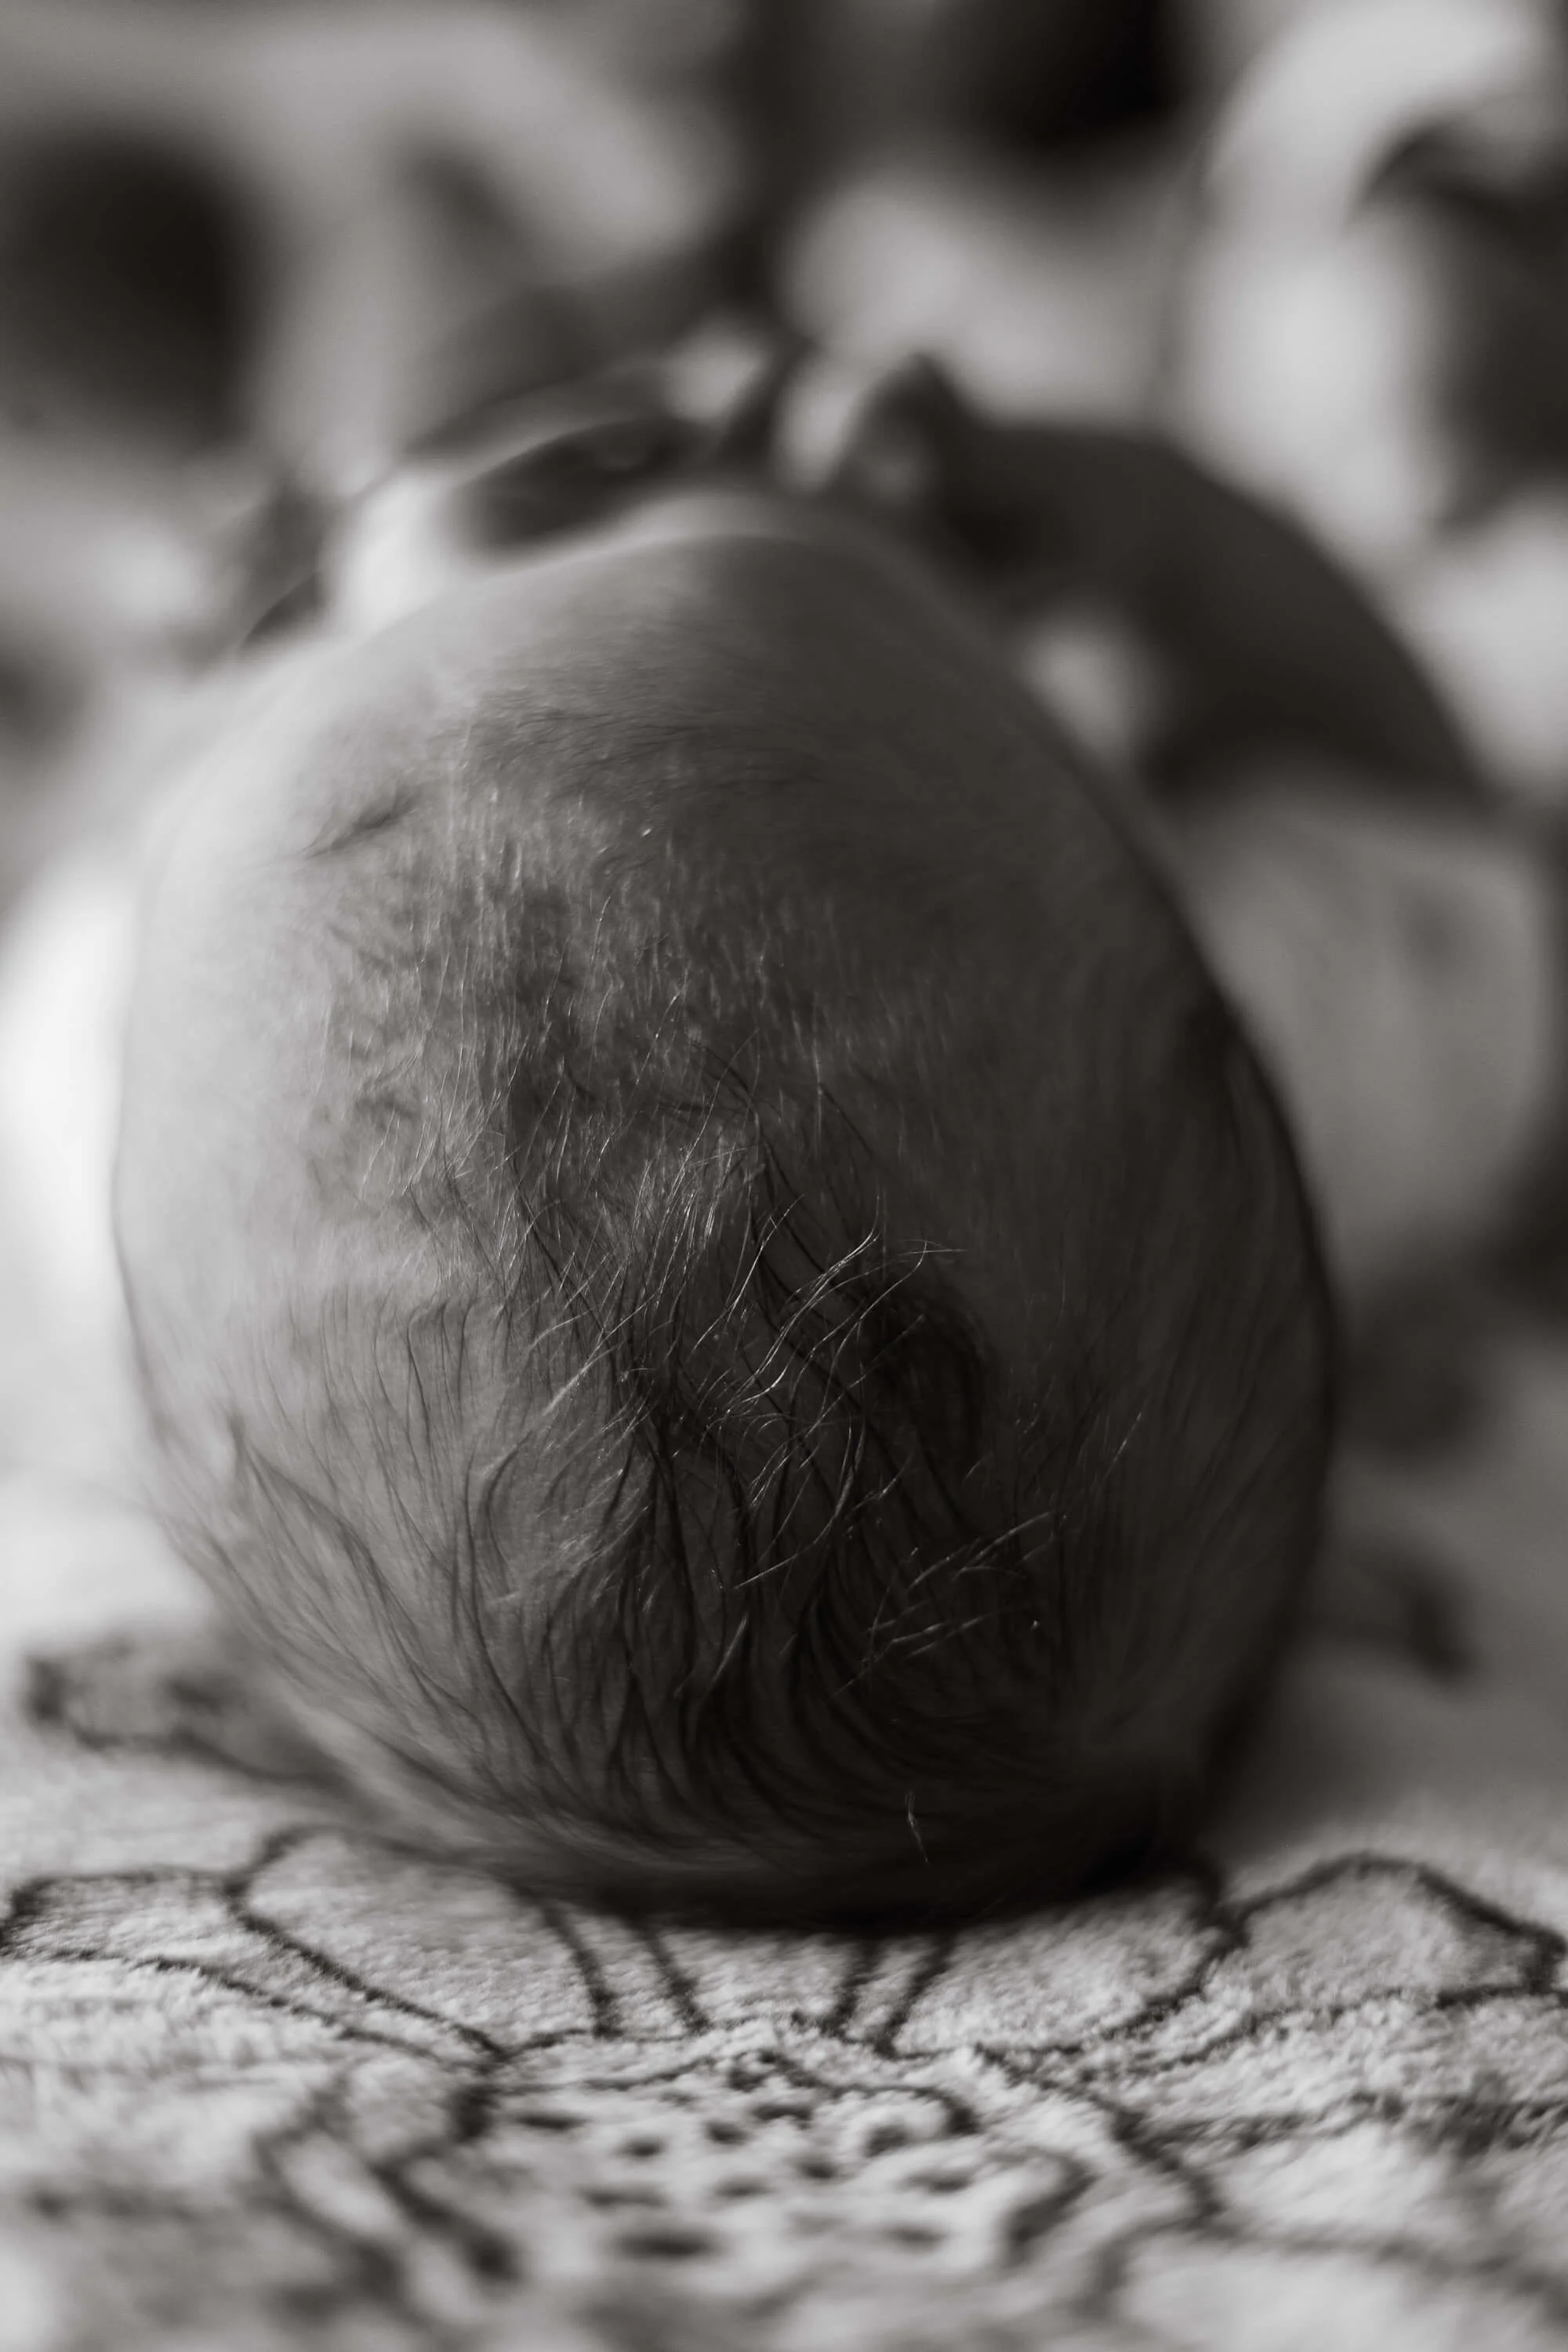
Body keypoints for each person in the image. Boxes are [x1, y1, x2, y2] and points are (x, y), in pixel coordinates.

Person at [113, 349, 1544, 1922]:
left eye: (318, 686)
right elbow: (1420, 828)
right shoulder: (1304, 1064)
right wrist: (1169, 534)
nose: (466, 518)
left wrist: (228, 665)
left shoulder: (87, 1148)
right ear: (1126, 831)